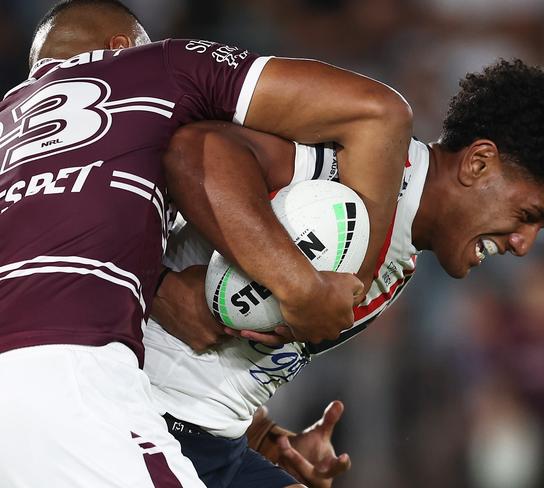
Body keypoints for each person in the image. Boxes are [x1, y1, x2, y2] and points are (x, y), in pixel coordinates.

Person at [0, 0, 412, 485]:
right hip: (76, 376)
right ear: (121, 47)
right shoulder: (156, 65)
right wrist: (324, 289)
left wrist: (257, 431)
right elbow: (379, 111)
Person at [147, 59, 544, 487]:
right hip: (147, 416)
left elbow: (235, 350)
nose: (523, 244)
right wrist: (296, 285)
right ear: (478, 163)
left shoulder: (406, 245)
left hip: (217, 439)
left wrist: (271, 440)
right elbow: (197, 153)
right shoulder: (368, 174)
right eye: (526, 215)